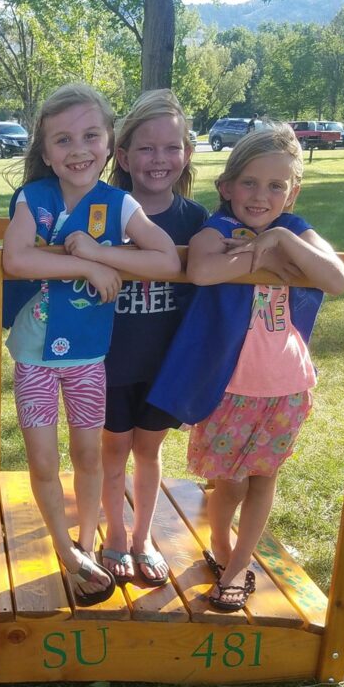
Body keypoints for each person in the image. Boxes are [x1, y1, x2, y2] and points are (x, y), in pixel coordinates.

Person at [148, 124, 344, 611]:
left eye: (277, 186)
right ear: (227, 187)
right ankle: (220, 542)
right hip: (229, 386)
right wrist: (259, 256)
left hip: (287, 385)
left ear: (292, 191)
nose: (262, 195)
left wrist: (280, 239)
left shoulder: (295, 231)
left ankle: (238, 566)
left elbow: (337, 278)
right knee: (229, 481)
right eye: (251, 183)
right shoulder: (216, 231)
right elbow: (202, 270)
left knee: (263, 478)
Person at [2, 83, 180, 606]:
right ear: (45, 150)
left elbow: (167, 259)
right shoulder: (32, 199)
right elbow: (17, 259)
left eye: (89, 136)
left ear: (108, 144)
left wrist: (105, 251)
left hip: (87, 363)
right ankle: (66, 551)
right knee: (41, 462)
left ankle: (87, 548)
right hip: (34, 359)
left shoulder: (118, 204)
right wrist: (85, 263)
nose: (77, 150)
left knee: (87, 456)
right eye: (62, 140)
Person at [100, 89, 208, 587]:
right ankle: (115, 535)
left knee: (148, 450)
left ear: (186, 152)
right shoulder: (101, 213)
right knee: (112, 450)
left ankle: (142, 536)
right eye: (146, 148)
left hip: (167, 364)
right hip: (107, 360)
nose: (159, 159)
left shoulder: (196, 220)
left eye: (171, 147)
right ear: (123, 156)